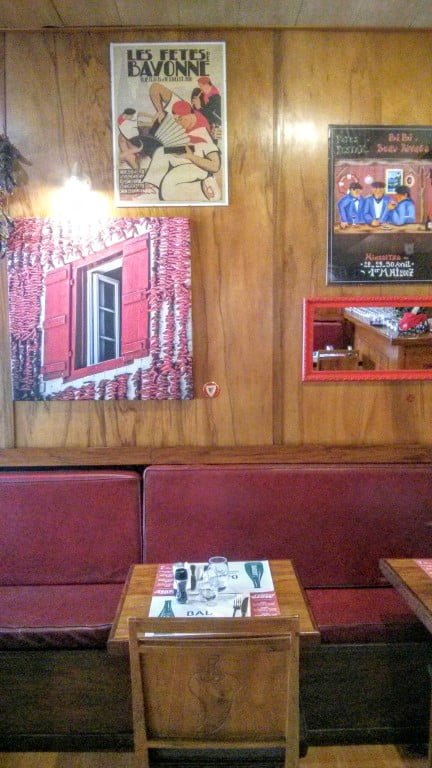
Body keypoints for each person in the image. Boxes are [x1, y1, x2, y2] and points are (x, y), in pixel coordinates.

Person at [142, 86, 221, 202]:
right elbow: (155, 88)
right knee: (160, 152)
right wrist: (160, 111)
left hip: (199, 166)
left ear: (189, 115)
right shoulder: (181, 107)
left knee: (167, 186)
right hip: (184, 155)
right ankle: (151, 187)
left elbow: (215, 166)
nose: (178, 123)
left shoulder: (204, 134)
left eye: (180, 119)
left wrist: (191, 157)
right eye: (175, 120)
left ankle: (205, 189)